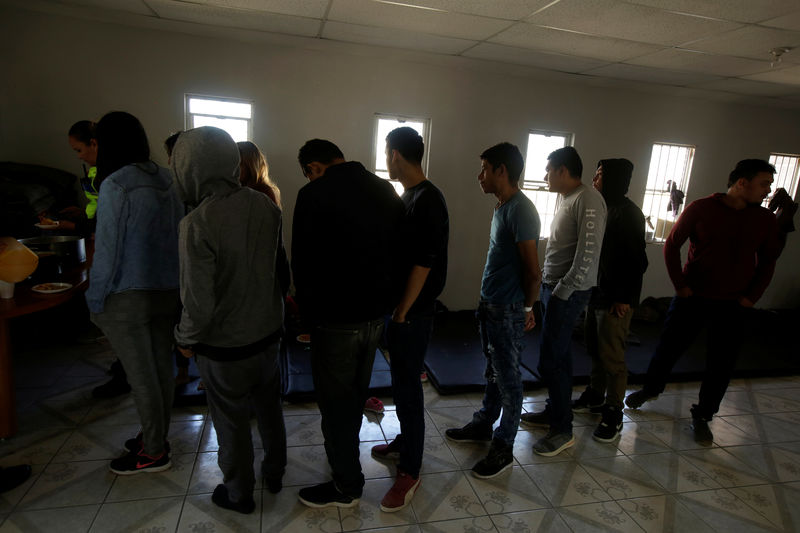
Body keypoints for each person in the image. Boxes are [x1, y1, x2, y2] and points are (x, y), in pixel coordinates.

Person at [172, 126, 288, 514]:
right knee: (269, 409)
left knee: (232, 422)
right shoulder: (265, 206)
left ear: (189, 169)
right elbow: (274, 272)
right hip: (268, 336)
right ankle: (275, 471)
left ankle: (239, 493)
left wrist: (184, 338)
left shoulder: (197, 223)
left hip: (224, 350)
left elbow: (198, 303)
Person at [625, 159, 781, 444]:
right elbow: (672, 245)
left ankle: (703, 415)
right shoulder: (701, 208)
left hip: (734, 304)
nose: (767, 191)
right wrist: (680, 285)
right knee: (668, 348)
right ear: (742, 183)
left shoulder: (765, 219)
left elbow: (768, 260)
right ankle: (651, 388)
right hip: (693, 297)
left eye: (769, 185)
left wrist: (751, 298)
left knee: (721, 363)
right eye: (764, 184)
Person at [292, 139, 404, 508]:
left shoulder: (313, 194)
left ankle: (346, 485)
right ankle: (344, 464)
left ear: (313, 167)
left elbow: (303, 264)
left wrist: (306, 321)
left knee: (336, 405)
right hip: (374, 318)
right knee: (354, 396)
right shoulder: (384, 188)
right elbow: (398, 252)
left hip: (335, 320)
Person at [86, 111, 183, 474]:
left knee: (141, 376)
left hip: (128, 294)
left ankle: (154, 451)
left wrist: (95, 299)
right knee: (161, 370)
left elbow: (108, 251)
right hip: (168, 291)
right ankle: (154, 435)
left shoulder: (115, 184)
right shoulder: (168, 179)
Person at [445, 142, 541, 478]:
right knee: (494, 372)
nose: (479, 175)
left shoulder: (522, 210)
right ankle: (484, 424)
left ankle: (503, 447)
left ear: (502, 171)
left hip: (507, 309)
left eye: (485, 168)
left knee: (510, 379)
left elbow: (533, 270)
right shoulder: (502, 207)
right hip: (490, 305)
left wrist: (528, 307)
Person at [370, 127, 449, 512]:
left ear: (396, 155)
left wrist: (402, 310)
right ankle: (405, 443)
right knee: (401, 385)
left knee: (409, 389)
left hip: (413, 314)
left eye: (387, 153)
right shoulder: (411, 197)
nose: (387, 160)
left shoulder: (429, 200)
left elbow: (424, 261)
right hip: (401, 310)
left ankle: (411, 469)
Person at [521, 146, 607, 457]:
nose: (544, 177)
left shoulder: (589, 200)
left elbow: (587, 255)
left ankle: (562, 430)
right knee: (559, 357)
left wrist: (561, 291)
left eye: (548, 171)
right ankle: (554, 413)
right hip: (554, 288)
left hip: (566, 292)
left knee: (550, 360)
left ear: (562, 170)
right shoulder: (569, 198)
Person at [572, 159, 647, 442]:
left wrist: (624, 298)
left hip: (616, 299)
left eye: (601, 174)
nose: (594, 179)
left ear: (615, 179)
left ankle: (614, 412)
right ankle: (595, 394)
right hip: (596, 292)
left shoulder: (629, 214)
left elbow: (637, 261)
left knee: (613, 357)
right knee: (595, 348)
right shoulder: (603, 208)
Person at [237, 140, 281, 208]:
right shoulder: (234, 188)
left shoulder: (264, 193)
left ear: (250, 165)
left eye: (239, 164)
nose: (234, 168)